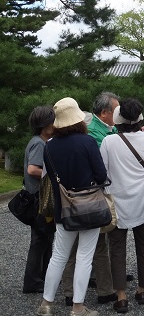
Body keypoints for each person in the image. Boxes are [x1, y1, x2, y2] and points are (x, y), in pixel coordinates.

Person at [38, 97, 107, 316]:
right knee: (85, 257)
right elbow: (101, 175)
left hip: (63, 208)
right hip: (89, 207)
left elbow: (50, 176)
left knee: (58, 256)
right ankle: (78, 307)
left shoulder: (49, 147)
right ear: (78, 119)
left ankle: (46, 304)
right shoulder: (87, 142)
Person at [100, 98, 144, 314]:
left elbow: (103, 171)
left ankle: (121, 296)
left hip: (117, 199)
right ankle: (142, 290)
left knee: (117, 248)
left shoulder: (109, 141)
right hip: (143, 197)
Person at [63, 92, 119, 306]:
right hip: (90, 196)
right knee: (98, 246)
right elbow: (100, 170)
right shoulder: (92, 136)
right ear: (104, 113)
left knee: (69, 248)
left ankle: (69, 292)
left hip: (67, 198)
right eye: (116, 110)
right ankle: (104, 289)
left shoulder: (53, 143)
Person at [22, 106, 55, 294]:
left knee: (45, 238)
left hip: (39, 198)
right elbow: (33, 169)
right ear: (44, 125)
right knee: (39, 240)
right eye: (52, 122)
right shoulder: (39, 144)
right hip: (38, 199)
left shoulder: (40, 141)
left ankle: (41, 277)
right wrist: (52, 174)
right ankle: (33, 282)